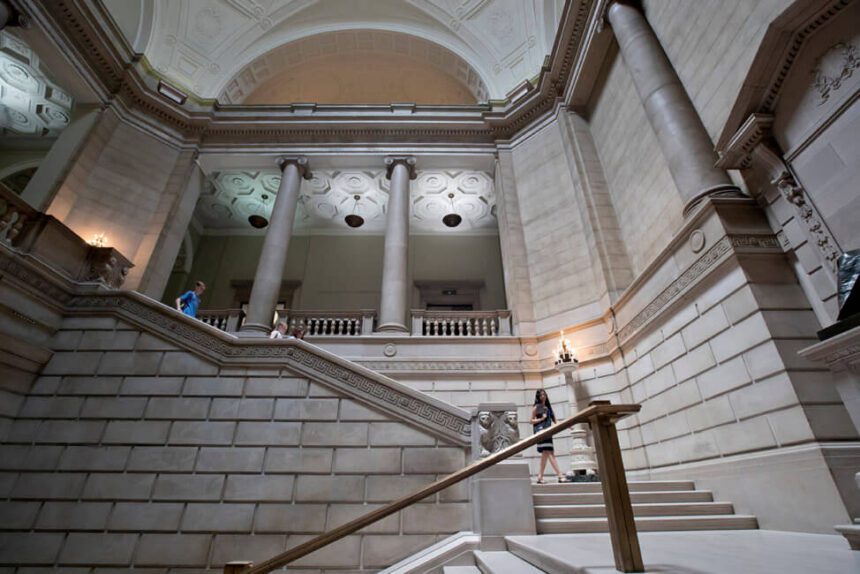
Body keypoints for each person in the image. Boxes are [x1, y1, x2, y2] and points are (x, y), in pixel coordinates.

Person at [531, 389, 564, 484]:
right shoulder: (537, 407)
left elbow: (556, 421)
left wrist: (568, 425)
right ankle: (560, 476)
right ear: (538, 397)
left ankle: (539, 477)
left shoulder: (548, 408)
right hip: (542, 432)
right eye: (541, 395)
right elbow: (531, 421)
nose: (543, 396)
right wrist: (541, 418)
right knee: (549, 453)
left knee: (545, 454)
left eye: (544, 394)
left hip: (548, 432)